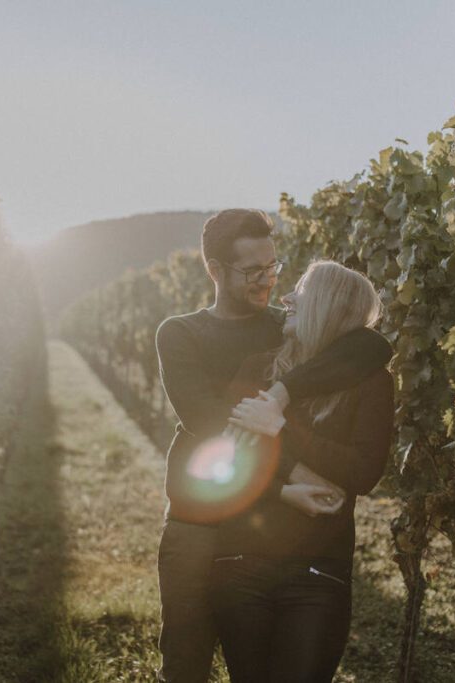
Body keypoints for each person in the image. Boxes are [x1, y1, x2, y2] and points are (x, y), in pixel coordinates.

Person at [154, 210, 393, 683]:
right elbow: (216, 427)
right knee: (185, 662)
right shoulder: (181, 333)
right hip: (199, 518)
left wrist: (284, 391)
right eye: (252, 271)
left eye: (273, 267)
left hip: (256, 529)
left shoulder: (284, 328)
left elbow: (370, 349)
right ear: (215, 271)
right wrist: (290, 480)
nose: (267, 280)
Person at [209, 260, 395, 683]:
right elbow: (230, 461)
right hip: (241, 562)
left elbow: (363, 472)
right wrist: (287, 484)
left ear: (329, 306)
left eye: (302, 291)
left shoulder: (371, 383)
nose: (287, 298)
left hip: (318, 571)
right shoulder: (256, 370)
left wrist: (279, 429)